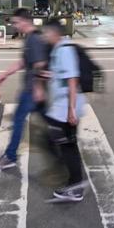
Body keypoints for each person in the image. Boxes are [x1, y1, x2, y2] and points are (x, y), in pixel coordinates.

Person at [0, 8, 49, 171]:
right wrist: (4, 75)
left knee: (18, 120)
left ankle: (10, 156)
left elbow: (39, 64)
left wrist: (38, 88)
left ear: (24, 21)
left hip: (32, 90)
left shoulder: (34, 39)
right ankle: (66, 150)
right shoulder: (30, 37)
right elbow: (24, 62)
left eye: (16, 23)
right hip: (34, 90)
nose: (14, 26)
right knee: (51, 123)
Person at [39, 18, 86, 202]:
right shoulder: (59, 49)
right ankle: (75, 180)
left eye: (46, 33)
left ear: (53, 33)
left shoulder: (64, 49)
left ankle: (76, 185)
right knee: (65, 144)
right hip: (61, 106)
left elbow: (73, 78)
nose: (44, 36)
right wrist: (50, 75)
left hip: (65, 106)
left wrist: (71, 110)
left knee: (64, 144)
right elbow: (63, 74)